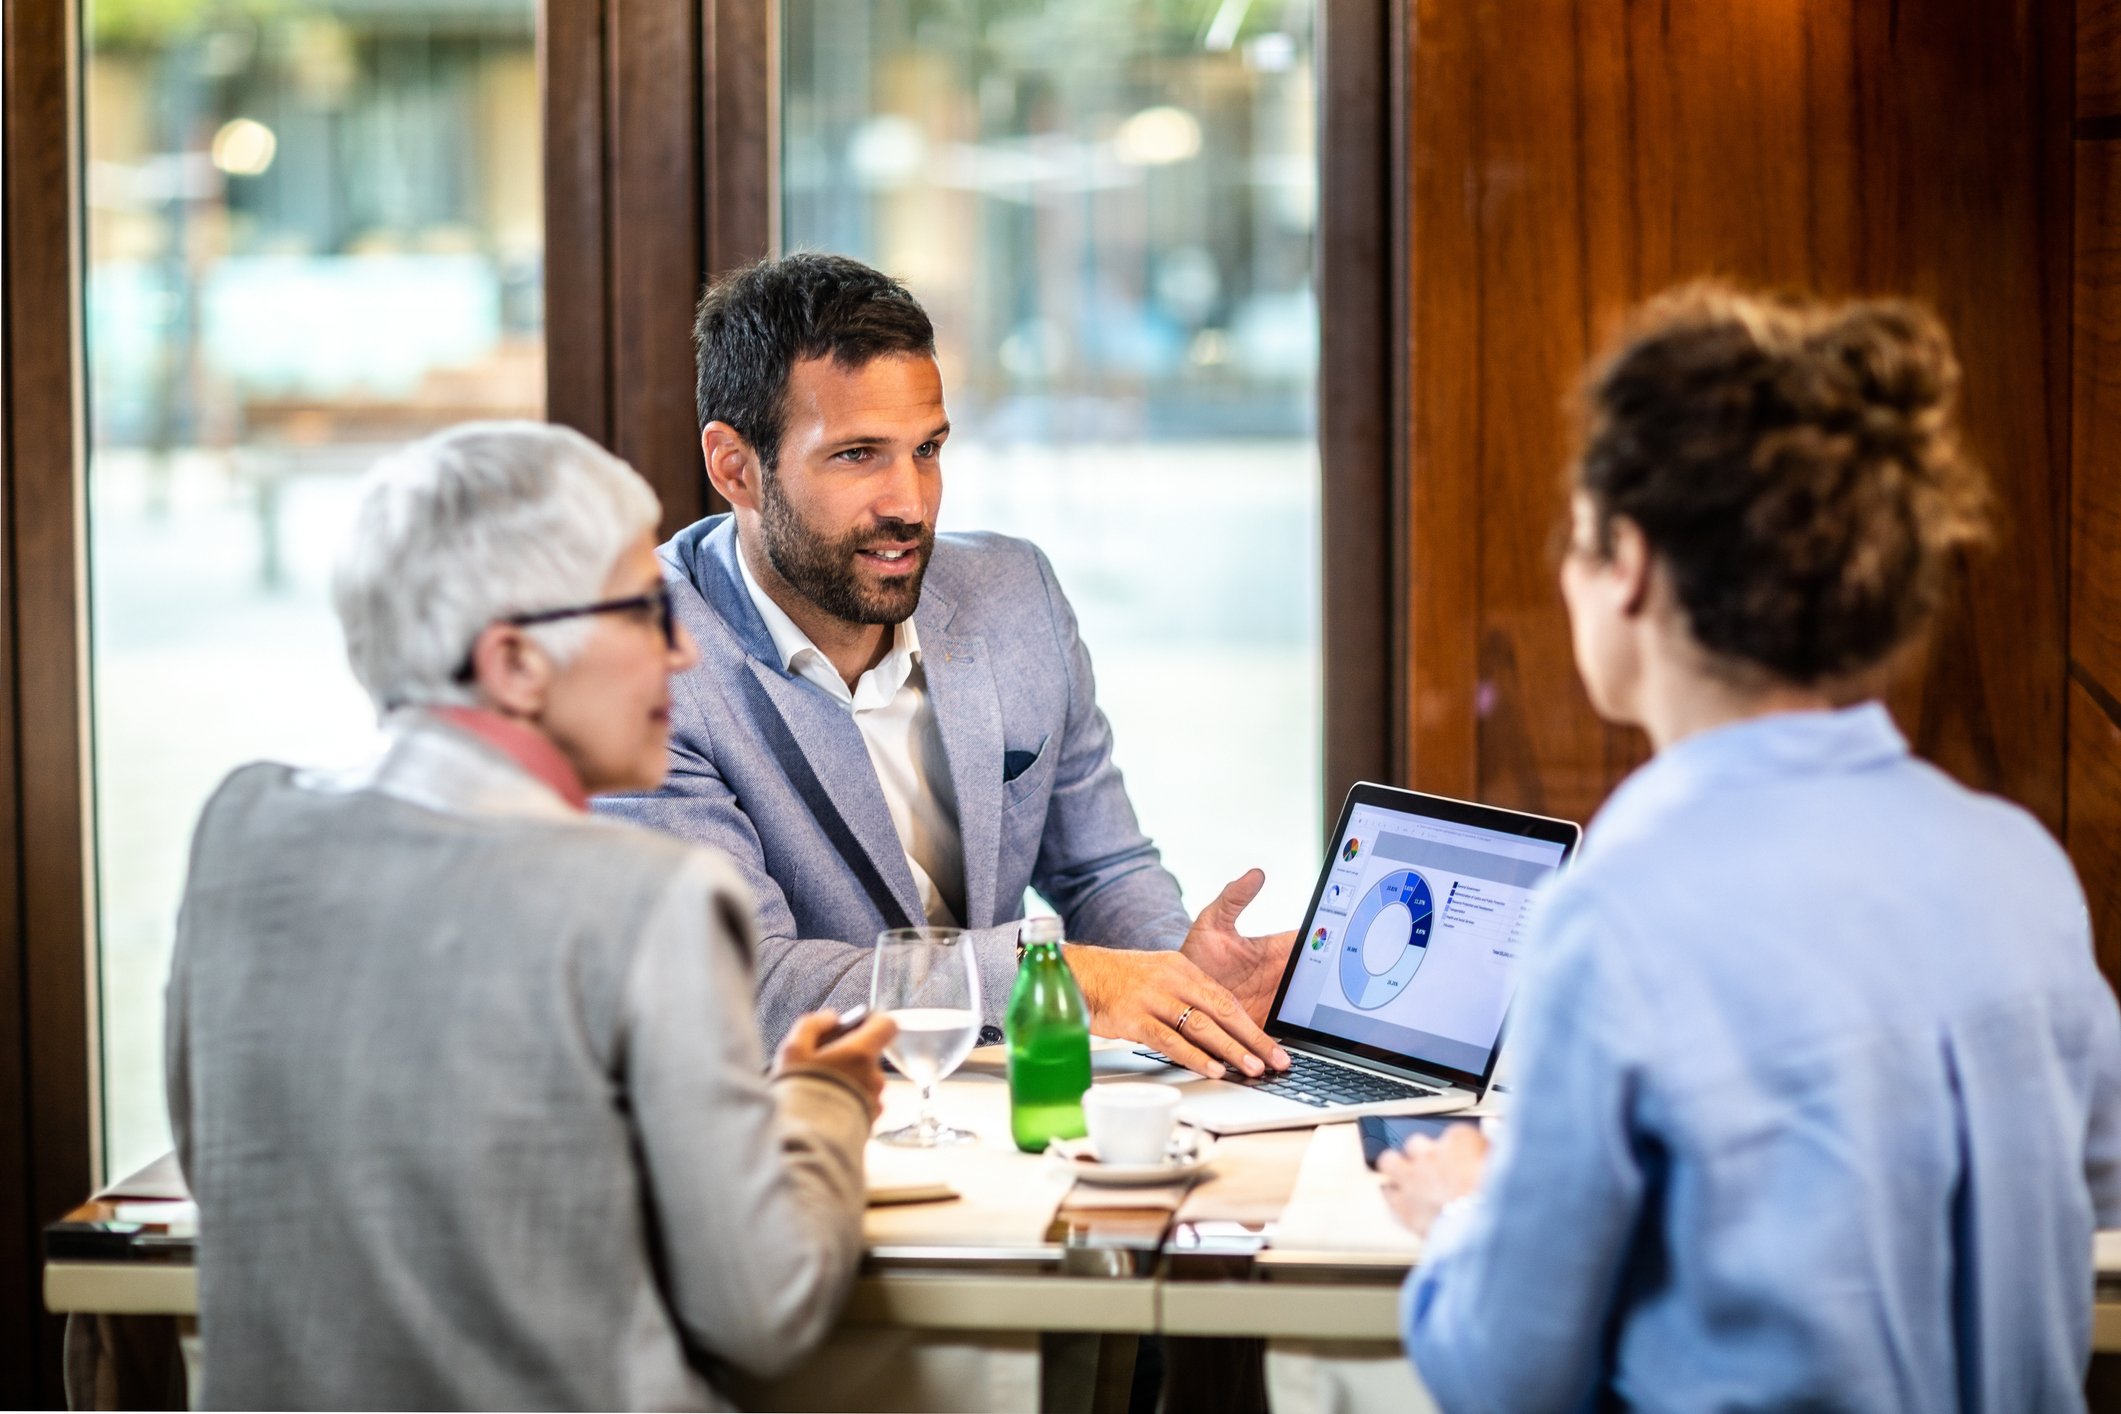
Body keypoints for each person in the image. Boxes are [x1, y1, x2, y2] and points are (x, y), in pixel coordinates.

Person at [1379, 286, 2121, 1409]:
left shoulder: (1622, 905)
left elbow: (1507, 1369)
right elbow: (2095, 1196)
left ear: (1625, 558)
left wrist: (1462, 1216)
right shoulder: (2021, 868)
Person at [164, 422, 897, 1410]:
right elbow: (762, 1310)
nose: (681, 653)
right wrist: (824, 1099)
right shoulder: (653, 898)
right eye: (645, 611)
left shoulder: (240, 832)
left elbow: (236, 1175)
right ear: (513, 662)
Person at [598, 253, 1294, 1079]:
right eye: (857, 455)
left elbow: (1101, 866)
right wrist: (1060, 975)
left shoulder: (1013, 592)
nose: (910, 503)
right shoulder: (641, 665)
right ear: (735, 468)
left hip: (999, 1116)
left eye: (926, 450)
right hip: (789, 1130)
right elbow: (747, 985)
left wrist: (1180, 985)